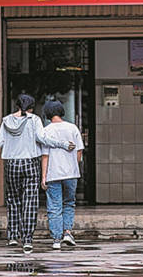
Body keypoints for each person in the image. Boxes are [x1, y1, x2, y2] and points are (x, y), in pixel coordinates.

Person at [0, 93, 75, 254]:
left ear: (17, 105)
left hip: (11, 163)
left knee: (13, 200)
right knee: (30, 201)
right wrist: (63, 144)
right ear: (31, 107)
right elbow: (42, 138)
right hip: (30, 162)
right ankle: (27, 240)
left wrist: (13, 145)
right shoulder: (34, 120)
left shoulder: (6, 120)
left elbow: (0, 142)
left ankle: (12, 236)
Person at [40, 99, 84, 250]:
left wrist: (43, 176)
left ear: (47, 113)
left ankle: (56, 240)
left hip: (53, 173)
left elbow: (45, 156)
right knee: (69, 203)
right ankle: (67, 233)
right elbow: (79, 151)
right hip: (71, 173)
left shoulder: (46, 131)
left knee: (54, 206)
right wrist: (74, 165)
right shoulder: (72, 128)